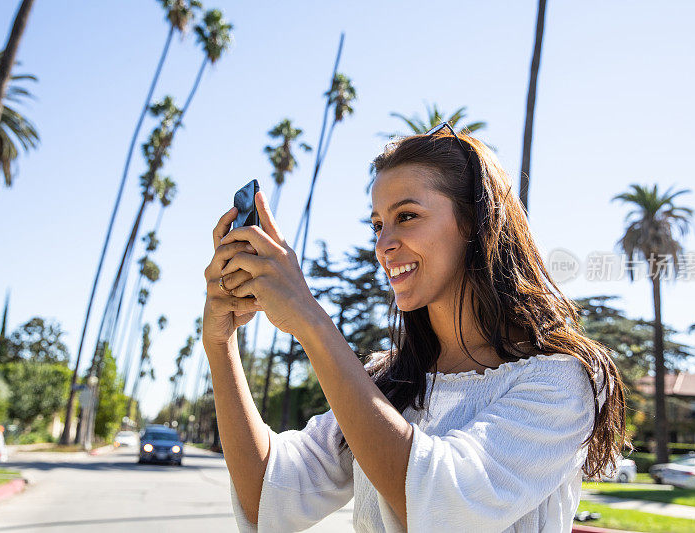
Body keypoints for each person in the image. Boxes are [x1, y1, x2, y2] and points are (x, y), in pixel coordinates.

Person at [202, 124, 628, 532]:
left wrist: (311, 322)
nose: (383, 244)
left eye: (406, 216)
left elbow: (443, 505)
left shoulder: (560, 381)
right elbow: (267, 494)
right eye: (377, 224)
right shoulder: (388, 381)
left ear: (474, 224)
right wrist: (220, 343)